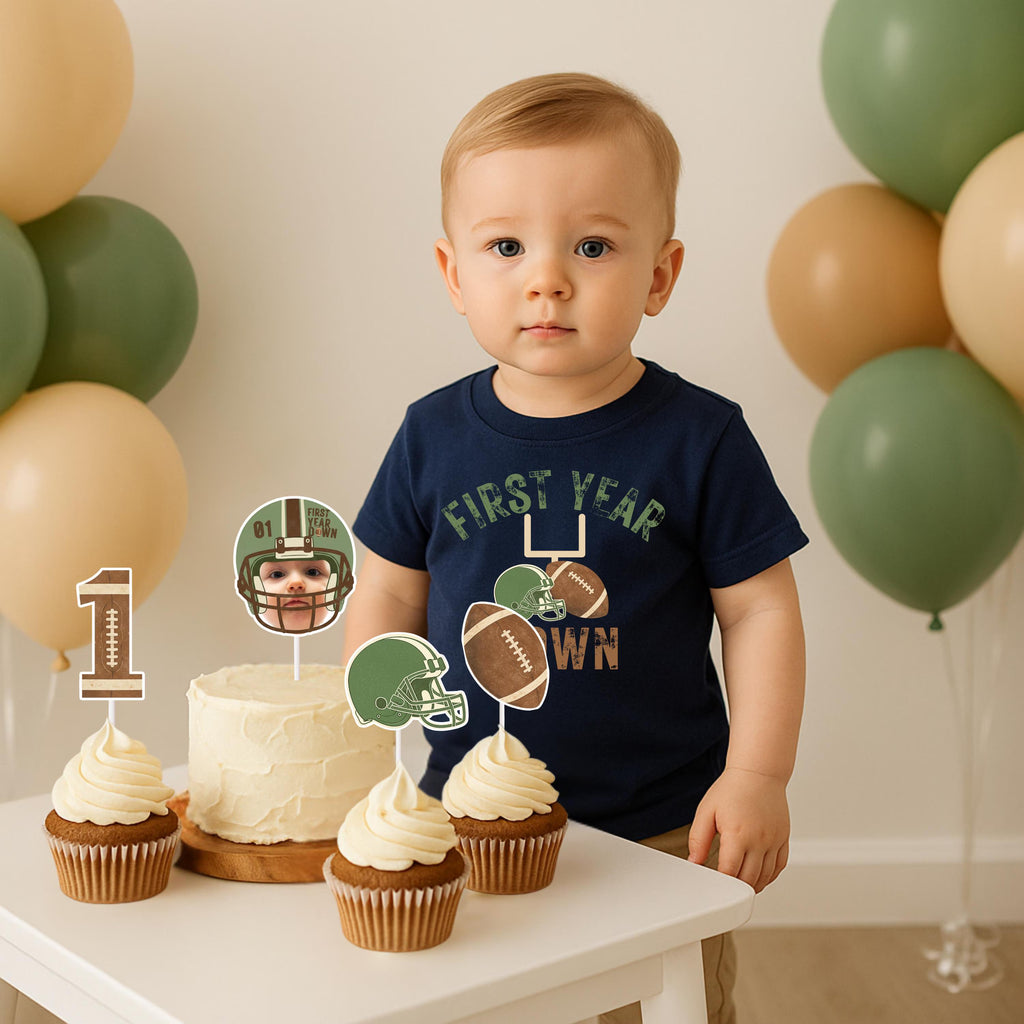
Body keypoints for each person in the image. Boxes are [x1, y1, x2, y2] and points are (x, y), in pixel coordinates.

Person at [342, 72, 807, 1024]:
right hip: (466, 819)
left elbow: (760, 609)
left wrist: (758, 774)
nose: (546, 276)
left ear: (660, 275)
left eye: (592, 245)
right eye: (506, 246)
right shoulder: (431, 437)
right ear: (454, 273)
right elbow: (388, 595)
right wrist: (364, 710)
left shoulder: (700, 438)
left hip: (665, 831)